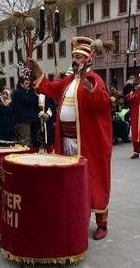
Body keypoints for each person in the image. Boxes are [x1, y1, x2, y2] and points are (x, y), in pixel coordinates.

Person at [29, 36, 113, 240]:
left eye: (78, 57)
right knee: (71, 181)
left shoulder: (94, 78)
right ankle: (75, 218)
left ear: (87, 59)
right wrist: (37, 70)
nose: (74, 60)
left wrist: (87, 82)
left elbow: (102, 103)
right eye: (73, 57)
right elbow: (49, 88)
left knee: (94, 180)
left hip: (88, 142)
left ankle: (101, 223)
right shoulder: (68, 81)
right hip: (66, 141)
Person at [11, 76, 39, 146]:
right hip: (23, 121)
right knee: (25, 140)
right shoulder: (18, 93)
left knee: (30, 139)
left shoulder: (27, 92)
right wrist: (34, 95)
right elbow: (28, 101)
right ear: (21, 84)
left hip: (29, 120)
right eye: (26, 83)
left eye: (29, 83)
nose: (28, 85)